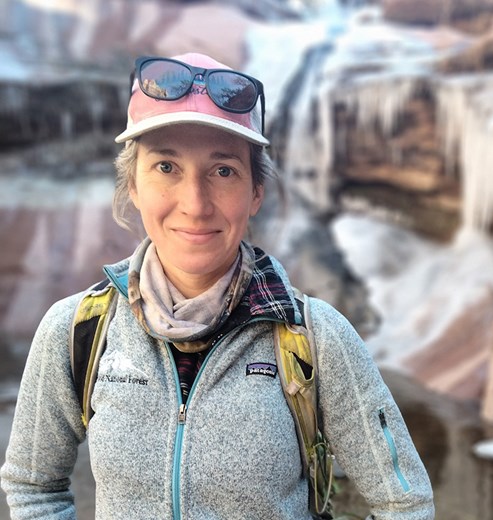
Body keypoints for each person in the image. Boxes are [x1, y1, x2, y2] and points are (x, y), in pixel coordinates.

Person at [1, 52, 435, 519]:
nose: (195, 204)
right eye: (166, 167)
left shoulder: (316, 338)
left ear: (255, 194)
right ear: (133, 185)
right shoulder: (77, 331)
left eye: (223, 170)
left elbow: (404, 504)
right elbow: (33, 487)